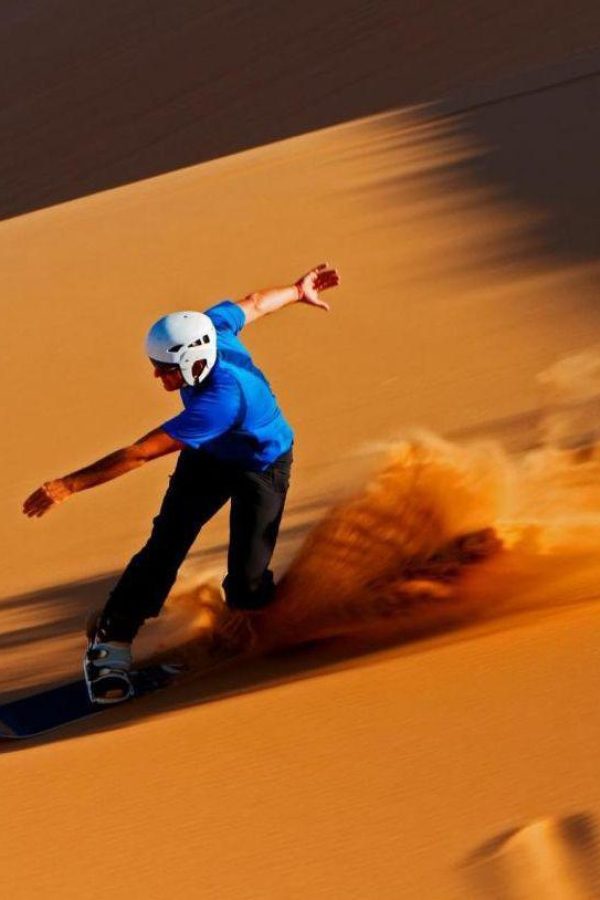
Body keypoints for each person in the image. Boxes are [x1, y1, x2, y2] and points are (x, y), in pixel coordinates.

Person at [23, 263, 340, 703]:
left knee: (248, 587)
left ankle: (257, 618)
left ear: (193, 360)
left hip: (261, 466)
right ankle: (111, 641)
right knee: (165, 545)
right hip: (210, 457)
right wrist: (296, 290)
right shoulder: (207, 330)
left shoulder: (222, 399)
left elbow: (141, 452)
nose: (158, 377)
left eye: (165, 369)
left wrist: (69, 485)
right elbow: (252, 305)